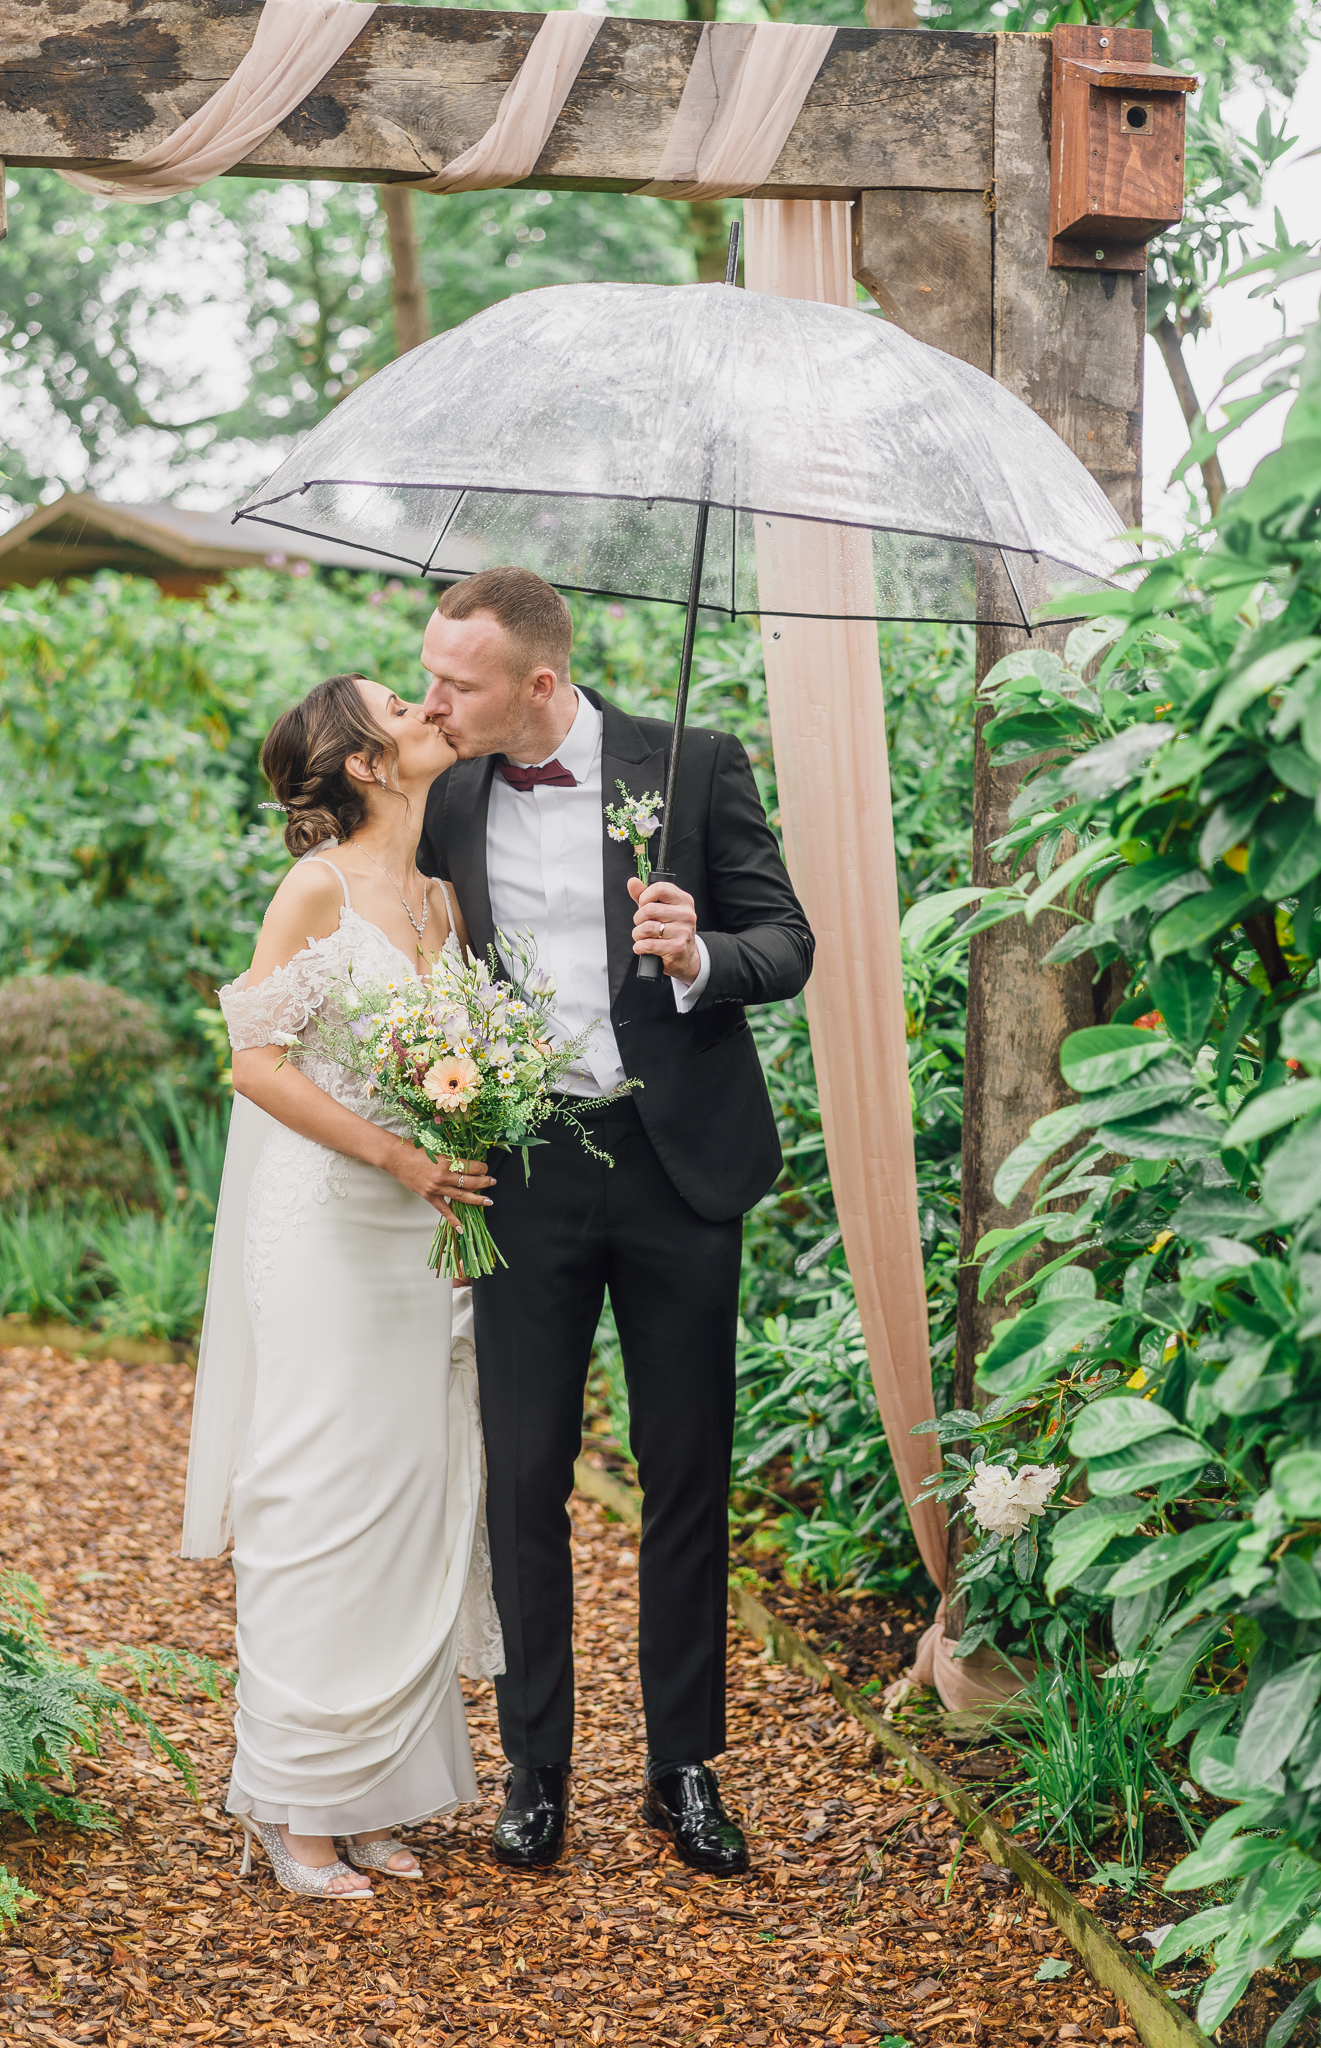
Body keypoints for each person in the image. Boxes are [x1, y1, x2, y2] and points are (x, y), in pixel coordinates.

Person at [417, 567, 814, 1878]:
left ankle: (681, 1770)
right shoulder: (452, 790)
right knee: (523, 1475)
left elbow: (787, 943)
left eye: (455, 682)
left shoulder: (691, 763)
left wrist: (699, 953)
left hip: (677, 1168)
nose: (434, 701)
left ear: (538, 683)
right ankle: (535, 1774)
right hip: (523, 1171)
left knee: (685, 1473)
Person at [181, 672, 504, 1901]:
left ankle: (370, 1788)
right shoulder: (316, 888)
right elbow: (255, 1061)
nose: (428, 708)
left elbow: (461, 1057)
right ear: (365, 762)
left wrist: (469, 1127)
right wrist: (401, 1153)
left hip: (424, 1235)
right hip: (327, 1228)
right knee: (318, 1488)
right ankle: (293, 1798)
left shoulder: (438, 897)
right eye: (401, 705)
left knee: (412, 1490)